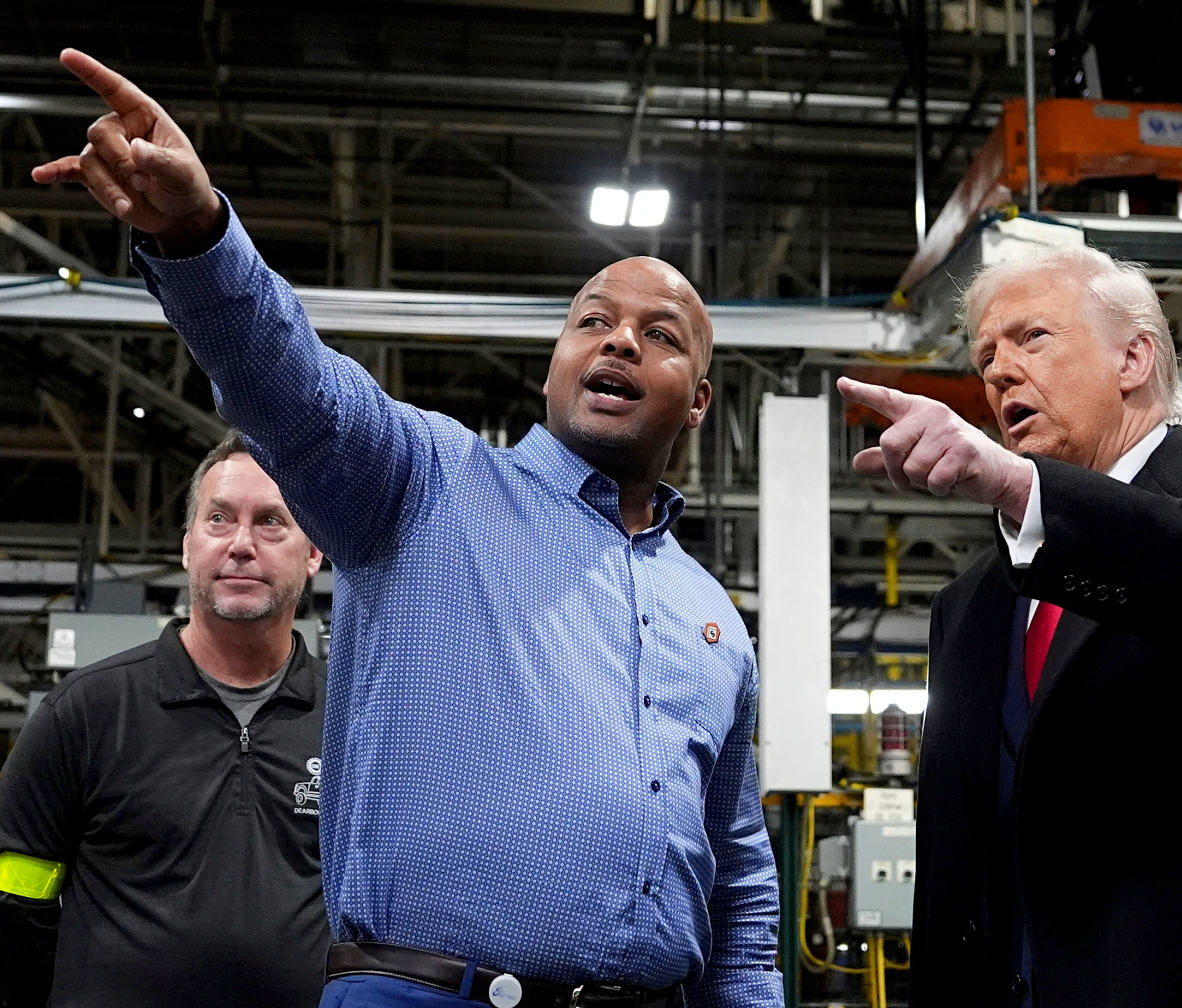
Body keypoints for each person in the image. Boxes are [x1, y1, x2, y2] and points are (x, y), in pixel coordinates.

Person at [33, 49, 781, 1008]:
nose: (621, 340)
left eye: (661, 335)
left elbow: (739, 868)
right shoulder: (426, 485)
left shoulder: (709, 613)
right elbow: (292, 385)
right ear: (554, 367)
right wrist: (194, 236)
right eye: (592, 321)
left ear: (698, 403)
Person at [837, 243, 1182, 1008]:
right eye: (985, 355)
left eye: (1031, 337)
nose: (998, 370)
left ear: (1134, 358)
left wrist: (1021, 487)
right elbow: (957, 855)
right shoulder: (970, 605)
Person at [0, 431, 329, 1008]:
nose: (242, 544)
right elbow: (13, 902)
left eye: (272, 521)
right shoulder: (85, 712)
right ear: (186, 546)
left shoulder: (354, 723)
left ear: (314, 551)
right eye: (219, 519)